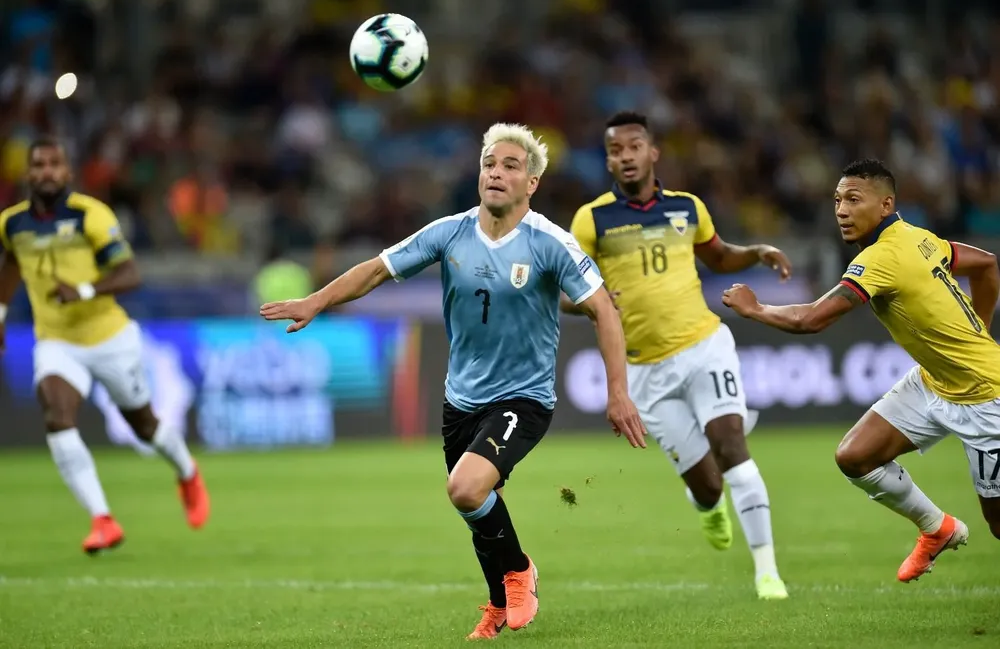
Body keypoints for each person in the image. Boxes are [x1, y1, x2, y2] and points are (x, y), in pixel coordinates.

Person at [261, 122, 646, 639]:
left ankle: (520, 572)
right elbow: (376, 269)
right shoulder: (450, 232)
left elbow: (603, 309)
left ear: (531, 182)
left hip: (523, 397)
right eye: (489, 163)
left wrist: (618, 393)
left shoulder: (550, 242)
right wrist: (316, 301)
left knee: (465, 488)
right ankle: (497, 604)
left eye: (510, 166)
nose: (496, 172)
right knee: (479, 505)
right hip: (461, 398)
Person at [722, 158, 1000, 582]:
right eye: (837, 200)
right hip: (935, 382)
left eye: (853, 199)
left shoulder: (883, 256)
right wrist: (980, 329)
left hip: (985, 398)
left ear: (886, 205)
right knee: (856, 456)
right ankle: (936, 528)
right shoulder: (919, 237)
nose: (841, 210)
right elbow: (987, 264)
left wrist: (755, 308)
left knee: (998, 524)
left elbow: (812, 319)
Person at [563, 111, 791, 600]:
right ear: (608, 161)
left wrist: (756, 252)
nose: (626, 157)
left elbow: (719, 256)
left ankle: (767, 572)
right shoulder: (592, 220)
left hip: (705, 347)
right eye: (616, 150)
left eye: (634, 147)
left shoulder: (688, 207)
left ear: (653, 153)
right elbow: (564, 290)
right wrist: (588, 303)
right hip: (645, 371)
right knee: (708, 486)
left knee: (732, 448)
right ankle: (708, 506)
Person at [0, 138, 210, 554]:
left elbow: (130, 274)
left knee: (144, 426)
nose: (46, 171)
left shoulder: (90, 215)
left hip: (109, 338)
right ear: (28, 173)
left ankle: (187, 472)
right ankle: (103, 520)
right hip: (56, 342)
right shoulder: (12, 223)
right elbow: (10, 262)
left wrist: (82, 289)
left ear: (67, 172)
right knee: (57, 416)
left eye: (54, 164)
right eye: (38, 164)